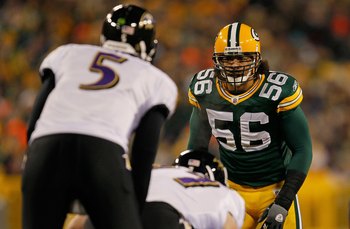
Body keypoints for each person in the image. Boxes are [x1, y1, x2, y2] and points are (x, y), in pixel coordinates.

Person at [22, 4, 178, 229]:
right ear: (147, 46)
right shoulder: (156, 80)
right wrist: (134, 207)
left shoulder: (68, 53)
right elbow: (144, 150)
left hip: (45, 148)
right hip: (102, 152)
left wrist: (36, 164)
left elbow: (36, 121)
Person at [186, 22, 312, 229]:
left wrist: (283, 202)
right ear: (217, 60)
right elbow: (196, 149)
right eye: (228, 58)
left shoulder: (276, 92)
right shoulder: (205, 90)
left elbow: (303, 149)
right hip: (231, 190)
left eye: (242, 57)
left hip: (275, 190)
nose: (235, 64)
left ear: (256, 59)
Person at [65, 150, 246, 229]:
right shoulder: (226, 194)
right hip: (162, 216)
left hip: (118, 206)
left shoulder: (157, 170)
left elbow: (78, 224)